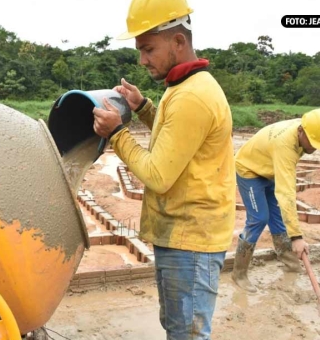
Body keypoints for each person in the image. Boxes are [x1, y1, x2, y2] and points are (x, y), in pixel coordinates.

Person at [92, 0, 235, 338]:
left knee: (186, 333)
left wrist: (116, 133)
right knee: (178, 327)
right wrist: (142, 108)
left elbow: (157, 174)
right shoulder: (185, 87)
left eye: (148, 49)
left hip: (191, 240)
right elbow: (177, 139)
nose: (142, 59)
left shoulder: (191, 97)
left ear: (178, 42)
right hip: (184, 235)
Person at [231, 109, 320, 293]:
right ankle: (239, 273)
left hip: (269, 168)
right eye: (312, 143)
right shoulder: (285, 145)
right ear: (301, 131)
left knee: (278, 217)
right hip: (249, 170)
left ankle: (290, 261)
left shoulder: (307, 127)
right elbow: (286, 193)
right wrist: (297, 237)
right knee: (259, 218)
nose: (314, 147)